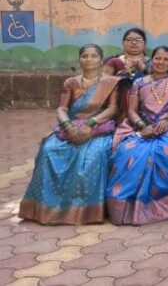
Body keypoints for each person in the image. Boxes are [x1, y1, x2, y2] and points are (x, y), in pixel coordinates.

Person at [20, 44, 119, 225]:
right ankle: (46, 207)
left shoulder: (110, 82)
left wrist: (90, 123)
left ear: (101, 60)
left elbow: (112, 108)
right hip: (70, 127)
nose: (89, 59)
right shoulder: (71, 82)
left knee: (93, 155)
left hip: (99, 128)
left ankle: (86, 211)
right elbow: (62, 108)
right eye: (85, 56)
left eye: (94, 56)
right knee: (48, 150)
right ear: (79, 60)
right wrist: (67, 125)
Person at [107, 46, 168, 225]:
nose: (161, 62)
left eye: (165, 59)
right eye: (157, 58)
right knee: (128, 153)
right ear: (151, 60)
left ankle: (167, 200)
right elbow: (132, 110)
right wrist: (142, 126)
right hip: (143, 125)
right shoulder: (139, 82)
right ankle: (125, 205)